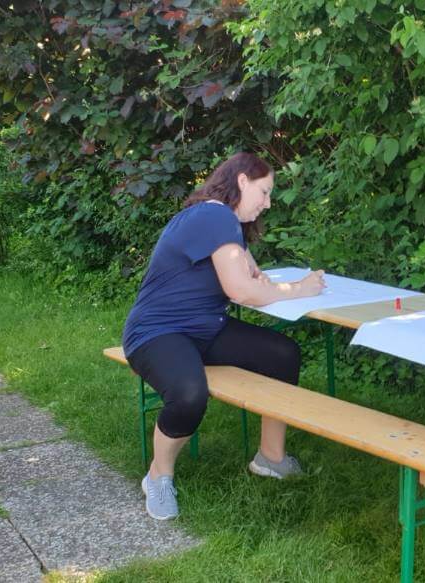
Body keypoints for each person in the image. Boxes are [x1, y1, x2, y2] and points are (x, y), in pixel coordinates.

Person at [122, 152, 326, 521]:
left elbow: (254, 278)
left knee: (282, 354)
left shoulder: (222, 223)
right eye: (264, 192)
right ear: (242, 181)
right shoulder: (215, 215)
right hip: (156, 332)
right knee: (188, 395)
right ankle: (158, 475)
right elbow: (243, 292)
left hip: (204, 329)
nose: (268, 203)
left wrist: (267, 281)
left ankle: (271, 457)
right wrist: (301, 289)